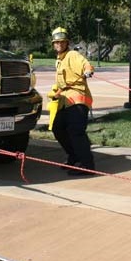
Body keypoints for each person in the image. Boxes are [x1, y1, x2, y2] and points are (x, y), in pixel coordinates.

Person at [47, 27, 96, 176]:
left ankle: (87, 165)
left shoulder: (72, 55)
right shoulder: (59, 60)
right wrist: (56, 93)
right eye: (56, 42)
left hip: (78, 100)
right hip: (65, 100)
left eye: (62, 42)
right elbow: (63, 83)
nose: (59, 44)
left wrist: (88, 70)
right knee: (58, 128)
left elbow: (85, 64)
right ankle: (74, 157)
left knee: (76, 132)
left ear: (66, 42)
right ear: (53, 44)